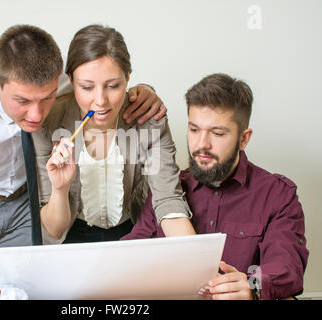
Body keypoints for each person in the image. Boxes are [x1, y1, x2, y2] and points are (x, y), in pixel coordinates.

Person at [0, 24, 167, 300]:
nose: (36, 115)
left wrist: (144, 92)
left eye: (47, 98)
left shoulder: (63, 75)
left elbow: (103, 82)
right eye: (22, 101)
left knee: (32, 294)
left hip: (27, 205)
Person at [122, 73, 309, 300]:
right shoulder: (167, 188)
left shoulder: (278, 194)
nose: (201, 144)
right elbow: (130, 254)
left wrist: (252, 287)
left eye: (217, 133)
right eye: (194, 130)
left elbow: (286, 267)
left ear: (244, 138)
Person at [32, 25, 196, 244]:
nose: (100, 101)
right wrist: (59, 189)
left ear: (128, 78)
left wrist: (201, 262)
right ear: (71, 81)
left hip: (131, 232)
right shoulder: (48, 124)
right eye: (87, 87)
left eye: (113, 86)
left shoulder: (149, 120)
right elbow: (53, 229)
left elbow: (168, 199)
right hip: (70, 235)